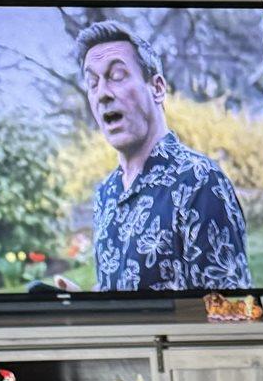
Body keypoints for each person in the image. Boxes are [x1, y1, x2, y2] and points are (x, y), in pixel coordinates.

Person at [74, 21, 251, 294]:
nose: (103, 94)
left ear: (157, 88)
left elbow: (230, 312)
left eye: (117, 76)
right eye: (92, 83)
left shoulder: (200, 182)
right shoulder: (105, 194)